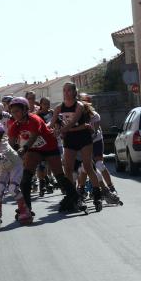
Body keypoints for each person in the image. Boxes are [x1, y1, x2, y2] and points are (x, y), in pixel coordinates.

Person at [7, 97, 86, 215]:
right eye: (13, 112)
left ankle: (76, 198)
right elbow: (11, 141)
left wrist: (24, 148)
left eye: (17, 111)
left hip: (49, 147)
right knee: (26, 179)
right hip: (34, 150)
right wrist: (17, 150)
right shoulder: (15, 125)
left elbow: (33, 136)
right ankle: (26, 207)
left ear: (25, 110)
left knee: (59, 176)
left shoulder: (34, 119)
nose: (15, 114)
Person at [50, 83, 103, 212]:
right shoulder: (58, 108)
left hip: (83, 138)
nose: (66, 92)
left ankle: (97, 195)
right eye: (64, 90)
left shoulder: (79, 106)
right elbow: (51, 124)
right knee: (67, 169)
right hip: (69, 139)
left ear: (74, 92)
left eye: (69, 90)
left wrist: (61, 130)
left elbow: (73, 122)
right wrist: (48, 128)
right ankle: (72, 195)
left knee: (88, 166)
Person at [75, 93, 121, 204]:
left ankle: (111, 188)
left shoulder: (94, 115)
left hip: (95, 141)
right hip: (83, 143)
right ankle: (80, 190)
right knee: (84, 168)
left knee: (99, 164)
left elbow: (94, 131)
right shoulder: (76, 117)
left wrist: (89, 132)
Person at [0, 121, 31, 224]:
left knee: (13, 189)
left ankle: (24, 211)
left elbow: (1, 155)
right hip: (4, 167)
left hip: (15, 166)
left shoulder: (4, 143)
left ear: (0, 136)